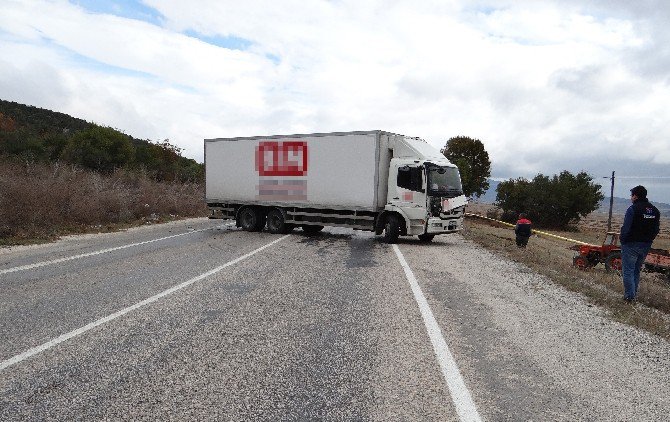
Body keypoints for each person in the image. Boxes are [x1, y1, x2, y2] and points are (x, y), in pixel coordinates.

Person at [620, 185, 660, 302]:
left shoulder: (633, 209)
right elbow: (656, 229)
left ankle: (629, 297)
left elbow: (626, 228)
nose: (630, 198)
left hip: (631, 244)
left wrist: (623, 240)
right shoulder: (655, 210)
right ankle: (633, 294)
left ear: (635, 196)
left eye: (631, 195)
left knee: (628, 271)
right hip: (646, 245)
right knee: (636, 270)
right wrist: (650, 239)